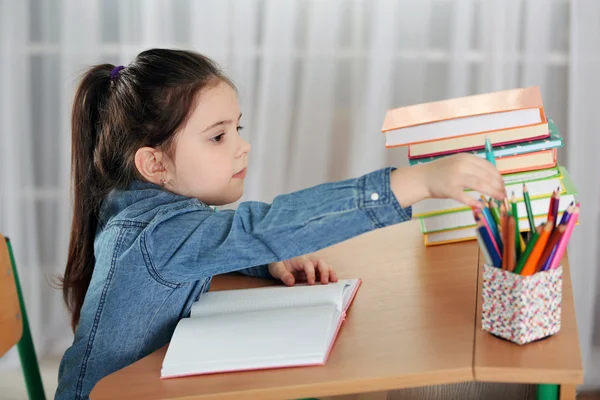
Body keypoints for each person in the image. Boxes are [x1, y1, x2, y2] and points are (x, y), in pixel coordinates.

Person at [55, 48, 505, 399]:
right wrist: (414, 182)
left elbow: (210, 244)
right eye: (218, 136)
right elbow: (258, 227)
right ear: (154, 164)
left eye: (238, 128)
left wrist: (261, 262)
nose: (242, 146)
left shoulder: (139, 206)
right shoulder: (153, 234)